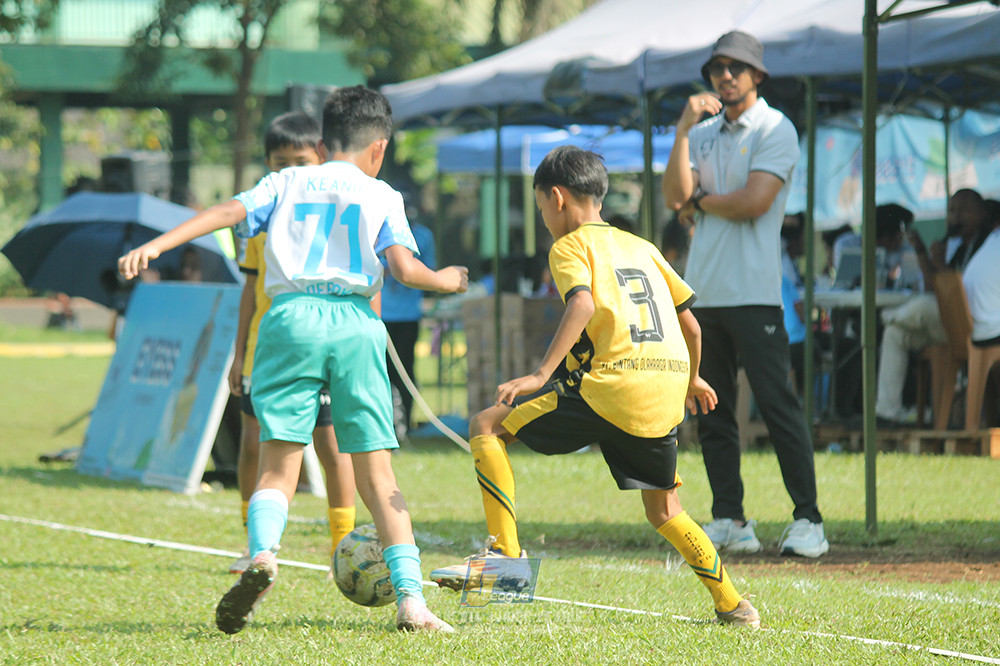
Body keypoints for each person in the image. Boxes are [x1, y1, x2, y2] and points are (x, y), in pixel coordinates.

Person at [119, 85, 468, 634]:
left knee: (278, 463)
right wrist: (445, 279)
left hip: (288, 319)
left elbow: (226, 212)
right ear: (379, 147)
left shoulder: (285, 181)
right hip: (354, 323)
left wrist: (160, 245)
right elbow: (404, 269)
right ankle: (411, 602)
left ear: (325, 141)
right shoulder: (382, 194)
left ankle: (261, 554)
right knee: (376, 473)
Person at [431, 145, 761, 628]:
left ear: (557, 198)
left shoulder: (569, 246)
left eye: (541, 205)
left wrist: (541, 374)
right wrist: (690, 378)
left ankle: (504, 561)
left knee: (487, 424)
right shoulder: (642, 247)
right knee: (666, 509)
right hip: (665, 389)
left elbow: (581, 305)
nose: (544, 217)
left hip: (611, 383)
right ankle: (734, 605)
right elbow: (691, 326)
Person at [661, 31, 827, 558]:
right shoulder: (702, 133)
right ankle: (730, 517)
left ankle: (809, 520)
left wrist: (701, 201)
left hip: (755, 293)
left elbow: (755, 202)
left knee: (778, 406)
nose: (725, 75)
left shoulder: (776, 127)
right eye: (718, 67)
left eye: (737, 67)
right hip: (704, 291)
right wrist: (684, 130)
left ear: (758, 76)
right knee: (711, 409)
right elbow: (673, 198)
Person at [227, 111, 357, 577]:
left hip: (323, 345)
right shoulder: (259, 223)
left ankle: (344, 548)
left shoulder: (340, 211)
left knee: (331, 444)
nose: (289, 171)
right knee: (254, 444)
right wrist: (239, 351)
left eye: (299, 160)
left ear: (321, 157)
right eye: (279, 162)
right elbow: (248, 290)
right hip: (269, 349)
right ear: (266, 162)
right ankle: (252, 543)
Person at [875, 189, 991, 426]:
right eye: (951, 211)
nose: (956, 217)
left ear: (981, 213)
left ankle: (887, 316)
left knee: (921, 306)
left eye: (963, 210)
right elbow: (933, 287)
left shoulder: (989, 244)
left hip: (971, 322)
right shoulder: (955, 245)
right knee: (895, 334)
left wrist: (941, 266)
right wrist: (922, 252)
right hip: (946, 321)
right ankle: (888, 412)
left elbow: (960, 292)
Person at [380, 198, 435, 439]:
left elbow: (427, 268)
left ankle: (407, 424)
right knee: (381, 372)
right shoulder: (379, 231)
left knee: (405, 370)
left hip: (408, 314)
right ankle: (385, 425)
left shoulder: (423, 236)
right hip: (382, 314)